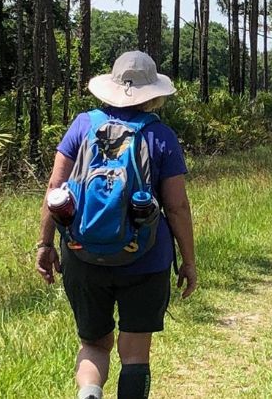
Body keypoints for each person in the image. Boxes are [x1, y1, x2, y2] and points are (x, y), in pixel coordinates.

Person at [35, 51, 197, 399]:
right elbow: (177, 206)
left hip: (82, 253)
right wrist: (189, 261)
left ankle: (90, 393)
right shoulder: (161, 136)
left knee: (93, 343)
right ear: (153, 93)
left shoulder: (82, 125)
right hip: (146, 256)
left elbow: (55, 190)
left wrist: (45, 245)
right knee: (135, 353)